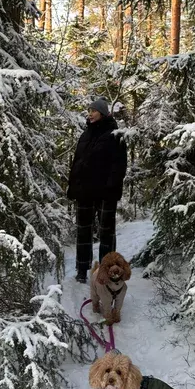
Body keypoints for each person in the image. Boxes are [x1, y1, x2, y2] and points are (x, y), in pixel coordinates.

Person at [67, 98, 127, 283]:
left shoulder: (114, 134)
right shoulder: (85, 134)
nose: (90, 113)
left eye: (93, 110)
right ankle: (82, 269)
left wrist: (111, 187)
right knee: (83, 231)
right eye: (89, 110)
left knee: (106, 233)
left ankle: (107, 269)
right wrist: (73, 186)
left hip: (105, 193)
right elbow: (77, 162)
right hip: (84, 191)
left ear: (102, 112)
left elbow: (120, 165)